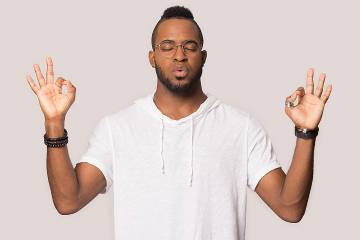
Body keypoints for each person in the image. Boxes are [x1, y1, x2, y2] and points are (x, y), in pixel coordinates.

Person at [26, 5, 332, 240]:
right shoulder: (116, 128)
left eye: (189, 46)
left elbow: (290, 208)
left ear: (203, 56)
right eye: (167, 46)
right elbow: (68, 201)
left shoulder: (241, 127)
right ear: (151, 57)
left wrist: (306, 133)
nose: (179, 56)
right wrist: (54, 122)